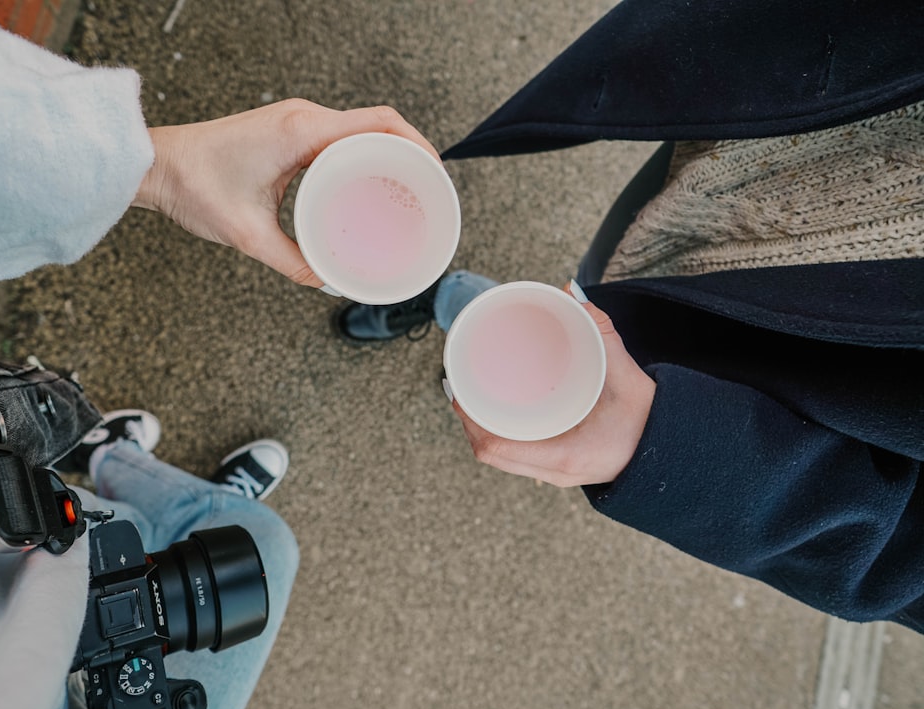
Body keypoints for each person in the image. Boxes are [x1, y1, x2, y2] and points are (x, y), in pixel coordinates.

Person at [0, 0, 440, 709]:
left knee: (199, 539)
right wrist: (145, 167)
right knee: (258, 546)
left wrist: (153, 168)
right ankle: (123, 465)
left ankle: (111, 458)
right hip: (26, 585)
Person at [334, 1, 924, 633]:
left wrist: (672, 452)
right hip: (781, 143)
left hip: (768, 400)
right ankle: (455, 301)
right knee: (607, 281)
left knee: (593, 340)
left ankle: (462, 309)